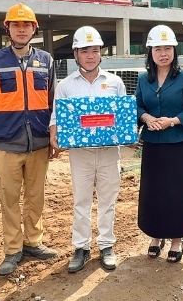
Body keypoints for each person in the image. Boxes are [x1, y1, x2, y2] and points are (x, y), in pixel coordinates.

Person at [0, 3, 58, 276]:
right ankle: (13, 250)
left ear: (34, 29)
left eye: (27, 25)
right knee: (9, 198)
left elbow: (53, 103)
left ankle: (33, 242)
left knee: (36, 196)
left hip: (38, 142)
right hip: (5, 144)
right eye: (16, 24)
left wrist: (53, 135)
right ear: (8, 28)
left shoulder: (46, 61)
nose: (21, 29)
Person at [49, 26, 127, 273]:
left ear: (101, 53)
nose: (90, 56)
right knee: (81, 201)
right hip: (80, 154)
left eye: (95, 50)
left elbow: (122, 116)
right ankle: (81, 247)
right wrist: (54, 132)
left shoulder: (115, 82)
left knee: (108, 200)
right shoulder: (66, 86)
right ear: (76, 54)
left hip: (108, 152)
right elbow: (56, 117)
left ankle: (106, 245)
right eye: (85, 51)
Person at [135, 25, 183, 263]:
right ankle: (155, 235)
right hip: (152, 144)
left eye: (167, 48)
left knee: (176, 193)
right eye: (158, 49)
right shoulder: (144, 79)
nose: (163, 53)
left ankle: (176, 238)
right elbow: (138, 105)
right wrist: (146, 118)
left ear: (174, 50)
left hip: (176, 144)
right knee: (153, 192)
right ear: (150, 52)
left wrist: (173, 121)